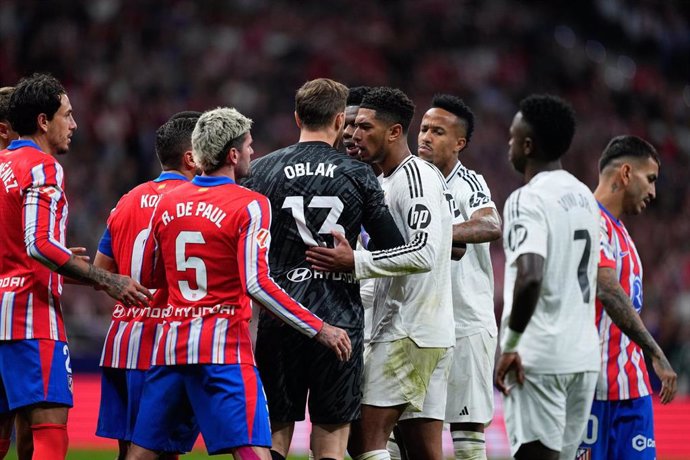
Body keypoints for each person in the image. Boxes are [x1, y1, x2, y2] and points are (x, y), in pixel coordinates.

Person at [126, 107, 352, 460]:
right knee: (250, 451)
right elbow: (257, 284)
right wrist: (320, 328)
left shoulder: (167, 201)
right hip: (222, 350)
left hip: (170, 347)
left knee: (142, 454)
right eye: (248, 145)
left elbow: (148, 275)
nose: (252, 152)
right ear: (232, 154)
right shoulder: (250, 204)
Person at [242, 78, 404, 460]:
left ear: (297, 116)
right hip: (340, 321)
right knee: (331, 439)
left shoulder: (261, 171)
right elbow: (393, 249)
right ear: (338, 119)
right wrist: (356, 255)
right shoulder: (358, 173)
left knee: (276, 435)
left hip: (280, 317)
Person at [0, 73, 151, 460]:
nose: (74, 125)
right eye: (67, 115)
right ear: (42, 121)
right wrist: (106, 278)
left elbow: (21, 243)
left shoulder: (2, 165)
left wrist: (65, 263)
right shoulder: (42, 167)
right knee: (50, 431)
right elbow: (39, 245)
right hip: (29, 318)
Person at [306, 86, 457, 460]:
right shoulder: (385, 181)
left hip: (408, 330)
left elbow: (424, 252)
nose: (355, 134)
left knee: (363, 439)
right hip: (419, 330)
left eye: (366, 127)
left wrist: (354, 263)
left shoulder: (415, 177)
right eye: (353, 125)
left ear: (393, 132)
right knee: (422, 451)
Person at [494, 94, 600, 460]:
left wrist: (510, 345)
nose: (508, 144)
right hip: (584, 357)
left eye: (512, 137)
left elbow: (530, 277)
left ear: (528, 144)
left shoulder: (527, 199)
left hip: (539, 357)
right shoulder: (586, 197)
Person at [94, 111, 202, 459]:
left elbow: (101, 273)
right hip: (166, 341)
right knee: (161, 452)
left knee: (129, 451)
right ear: (191, 157)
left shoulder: (126, 200)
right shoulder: (197, 202)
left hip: (122, 340)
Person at [413, 94, 501, 460]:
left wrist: (433, 233)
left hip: (467, 321)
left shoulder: (468, 182)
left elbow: (490, 224)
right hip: (420, 322)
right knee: (405, 425)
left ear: (459, 143)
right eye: (423, 128)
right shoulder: (411, 180)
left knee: (466, 431)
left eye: (437, 131)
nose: (425, 137)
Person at [579, 135, 677, 459]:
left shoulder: (623, 236)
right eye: (650, 179)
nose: (653, 192)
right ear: (624, 173)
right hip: (593, 393)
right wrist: (656, 352)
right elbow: (606, 289)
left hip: (633, 395)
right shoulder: (587, 218)